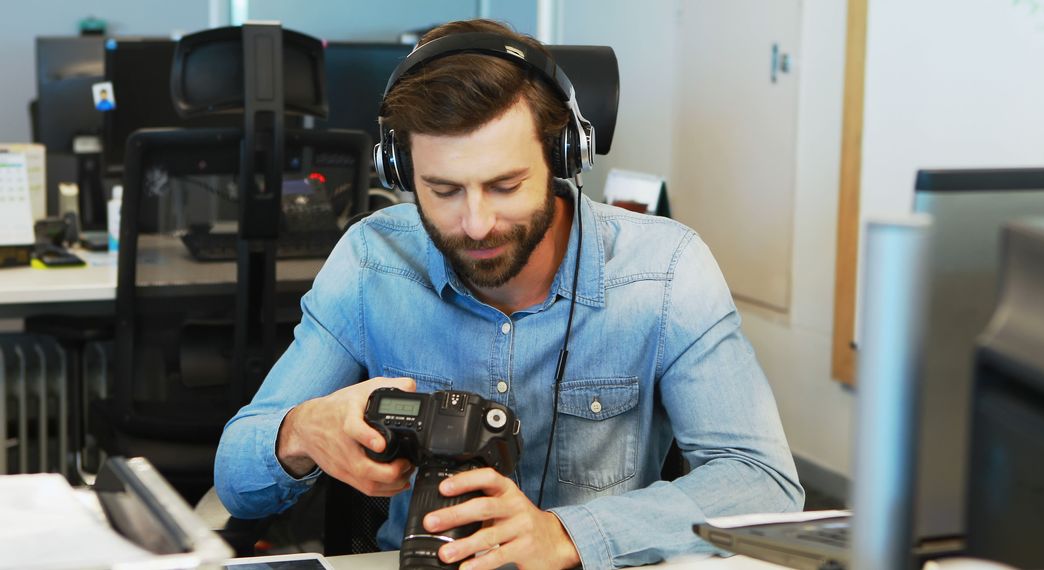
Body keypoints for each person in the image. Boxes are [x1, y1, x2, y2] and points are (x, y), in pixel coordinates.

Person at [215, 19, 803, 570]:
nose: (475, 223)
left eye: (505, 185)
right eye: (443, 189)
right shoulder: (372, 260)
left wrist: (568, 534)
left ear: (561, 157)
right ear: (399, 168)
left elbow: (762, 481)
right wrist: (300, 432)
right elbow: (237, 478)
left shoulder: (667, 269)